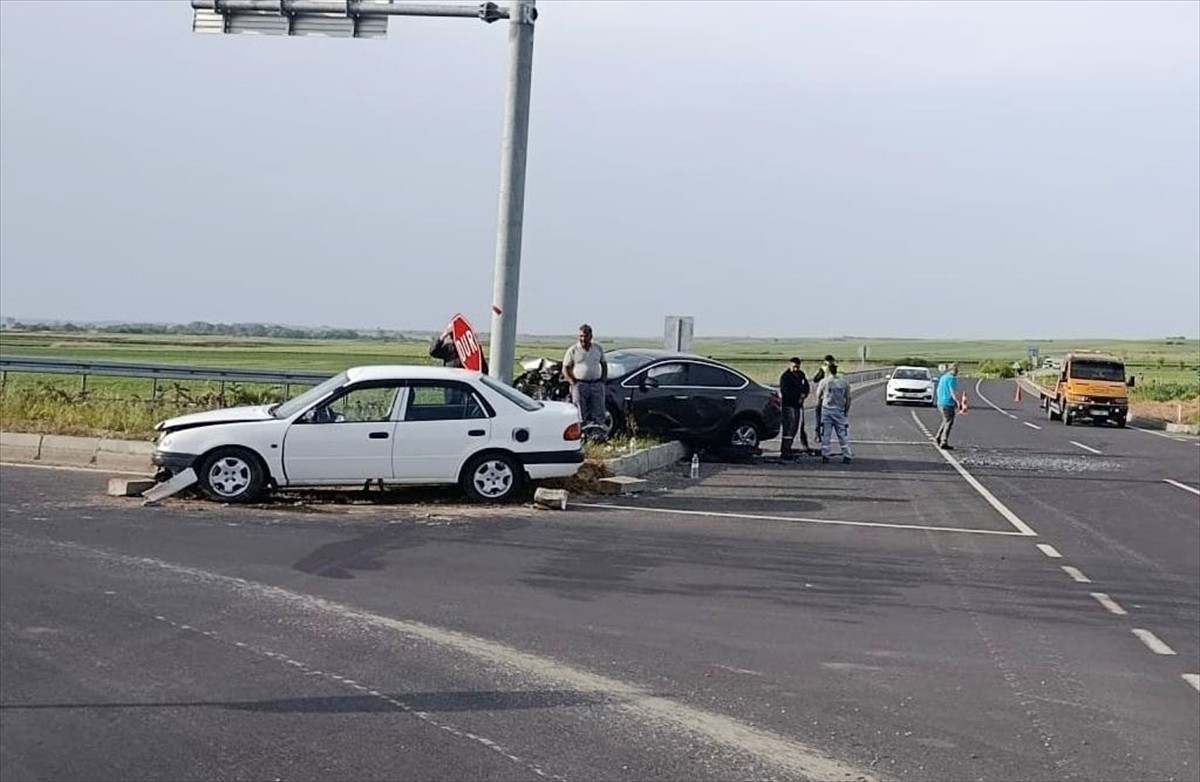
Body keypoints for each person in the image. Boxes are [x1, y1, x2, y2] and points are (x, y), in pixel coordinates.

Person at [563, 323, 608, 438]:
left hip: (596, 384)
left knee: (598, 410)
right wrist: (573, 383)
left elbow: (603, 364)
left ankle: (598, 435)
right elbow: (565, 368)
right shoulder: (573, 350)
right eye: (581, 336)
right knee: (579, 411)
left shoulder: (597, 348)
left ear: (590, 336)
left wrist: (602, 380)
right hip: (580, 384)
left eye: (585, 336)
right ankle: (581, 435)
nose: (583, 338)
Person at [815, 360, 853, 464]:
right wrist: (846, 411)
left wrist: (819, 407)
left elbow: (818, 396)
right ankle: (847, 455)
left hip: (826, 411)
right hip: (839, 411)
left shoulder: (824, 382)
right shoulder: (844, 382)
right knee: (842, 434)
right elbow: (848, 398)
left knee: (826, 434)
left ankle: (825, 455)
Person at [778, 357, 811, 460]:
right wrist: (798, 397)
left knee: (795, 428)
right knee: (788, 428)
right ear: (790, 365)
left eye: (797, 366)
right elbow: (785, 391)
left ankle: (789, 448)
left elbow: (806, 386)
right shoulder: (785, 377)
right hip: (788, 406)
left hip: (798, 406)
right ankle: (785, 450)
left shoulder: (801, 374)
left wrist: (804, 395)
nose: (796, 369)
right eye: (793, 367)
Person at [810, 354, 837, 444]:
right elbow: (815, 379)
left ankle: (822, 434)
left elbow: (815, 379)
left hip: (828, 396)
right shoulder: (825, 370)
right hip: (827, 397)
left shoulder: (833, 370)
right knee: (822, 415)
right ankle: (820, 433)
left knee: (824, 416)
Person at [934, 363, 962, 450]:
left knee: (946, 420)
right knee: (949, 422)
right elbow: (952, 391)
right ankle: (943, 441)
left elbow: (938, 389)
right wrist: (958, 402)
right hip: (948, 403)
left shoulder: (943, 377)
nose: (956, 372)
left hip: (941, 402)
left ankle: (938, 437)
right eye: (955, 370)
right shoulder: (951, 379)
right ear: (951, 370)